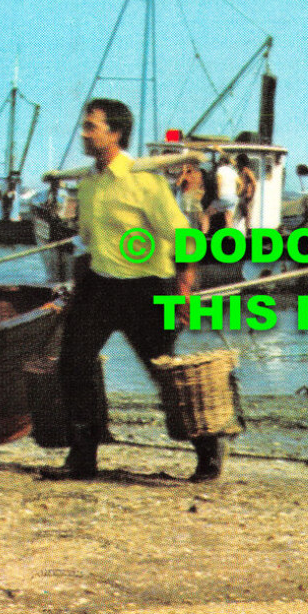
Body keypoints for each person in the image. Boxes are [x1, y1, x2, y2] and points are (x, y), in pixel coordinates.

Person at [51, 98, 228, 481]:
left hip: (147, 289)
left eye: (91, 127)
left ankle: (209, 449)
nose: (83, 132)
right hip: (100, 286)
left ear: (114, 134)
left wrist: (182, 294)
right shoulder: (88, 183)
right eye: (84, 125)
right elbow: (88, 242)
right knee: (73, 363)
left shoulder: (144, 180)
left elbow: (186, 241)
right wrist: (73, 291)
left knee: (163, 373)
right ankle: (82, 457)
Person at [209, 154, 239, 229]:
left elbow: (219, 182)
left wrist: (218, 194)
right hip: (233, 197)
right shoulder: (233, 171)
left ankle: (204, 235)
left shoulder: (220, 170)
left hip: (223, 197)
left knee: (206, 214)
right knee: (228, 218)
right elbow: (240, 183)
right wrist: (237, 193)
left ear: (221, 162)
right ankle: (230, 237)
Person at [234, 154, 258, 231]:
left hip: (247, 196)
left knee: (247, 213)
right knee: (244, 213)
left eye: (238, 161)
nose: (236, 163)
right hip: (243, 196)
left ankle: (249, 230)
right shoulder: (242, 170)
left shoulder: (247, 171)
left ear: (241, 162)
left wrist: (251, 195)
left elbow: (254, 183)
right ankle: (245, 229)